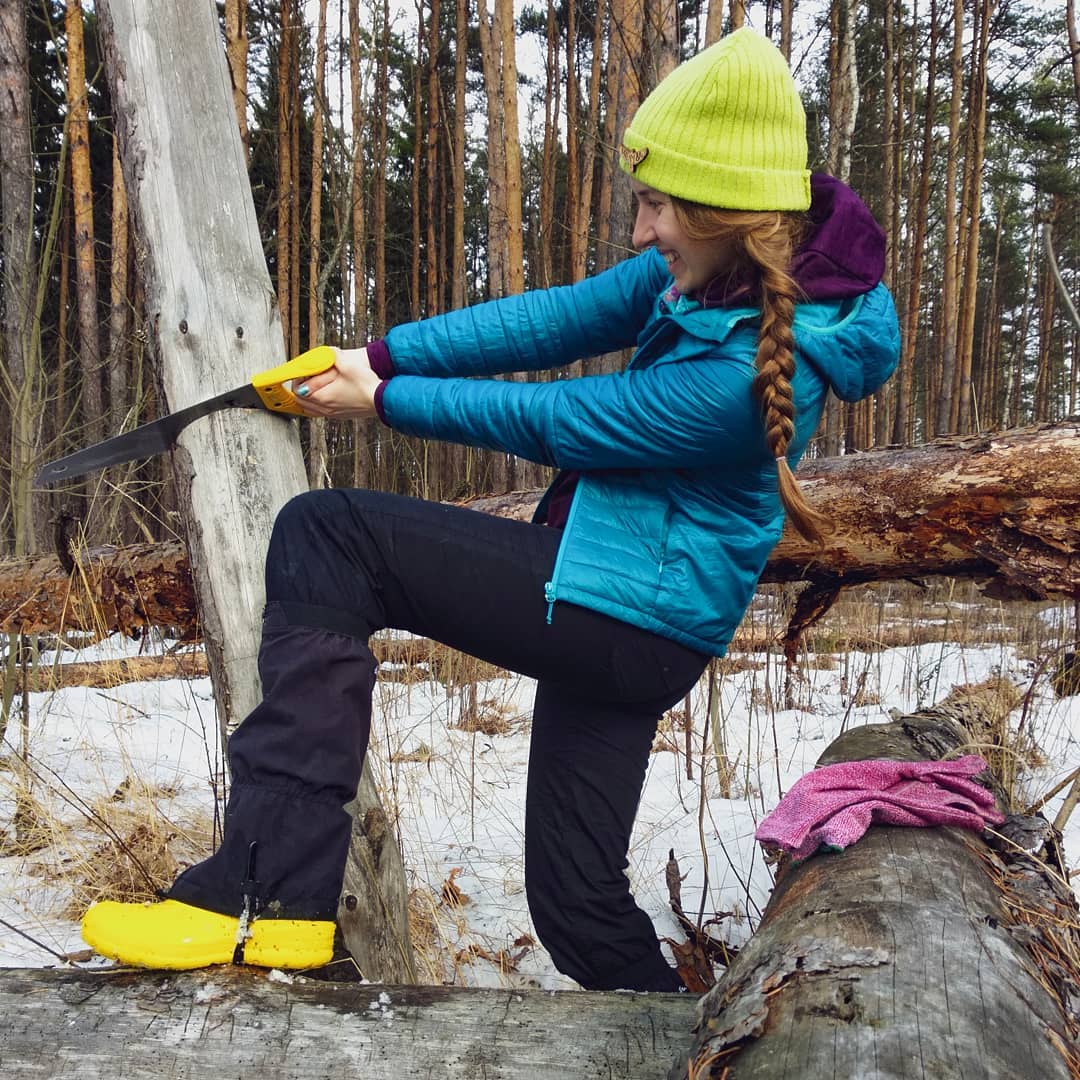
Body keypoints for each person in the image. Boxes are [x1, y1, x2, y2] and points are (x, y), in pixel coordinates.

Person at [82, 28, 899, 991]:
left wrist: (381, 402)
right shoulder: (715, 268)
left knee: (331, 534)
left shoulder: (758, 374)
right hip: (624, 602)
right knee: (576, 908)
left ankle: (265, 899)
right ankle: (690, 1045)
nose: (641, 231)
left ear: (724, 207)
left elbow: (562, 418)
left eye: (655, 204)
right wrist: (381, 355)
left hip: (629, 619)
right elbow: (549, 319)